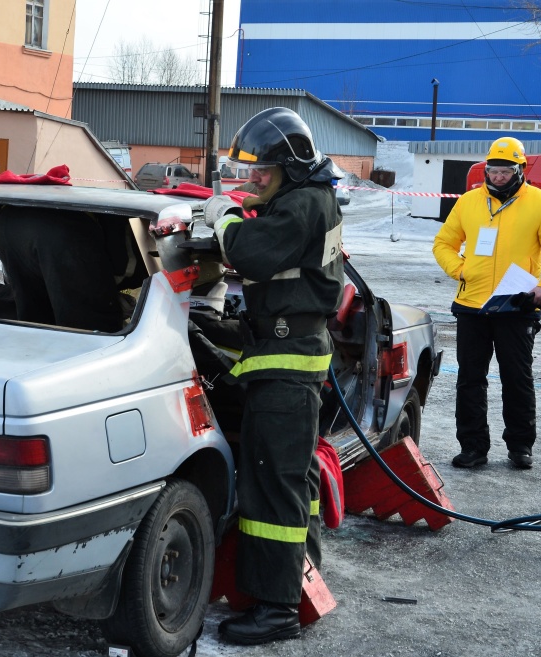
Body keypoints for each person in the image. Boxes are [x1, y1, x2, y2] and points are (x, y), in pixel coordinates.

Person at [202, 107, 344, 645]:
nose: (252, 178)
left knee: (271, 487)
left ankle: (275, 609)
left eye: (262, 169)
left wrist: (225, 218)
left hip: (287, 363)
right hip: (293, 354)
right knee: (295, 478)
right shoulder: (307, 198)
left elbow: (252, 254)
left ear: (291, 165)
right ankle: (299, 572)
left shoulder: (304, 204)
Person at [432, 137, 541, 470]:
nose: (497, 177)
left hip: (517, 305)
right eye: (492, 170)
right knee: (470, 379)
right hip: (472, 306)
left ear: (520, 169)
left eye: (505, 171)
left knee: (516, 377)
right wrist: (461, 269)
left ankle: (520, 446)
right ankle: (473, 447)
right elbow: (443, 244)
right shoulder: (468, 202)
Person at [0, 206, 146, 331]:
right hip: (58, 233)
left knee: (33, 311)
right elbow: (122, 268)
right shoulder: (131, 228)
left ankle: (36, 360)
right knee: (87, 327)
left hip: (6, 223)